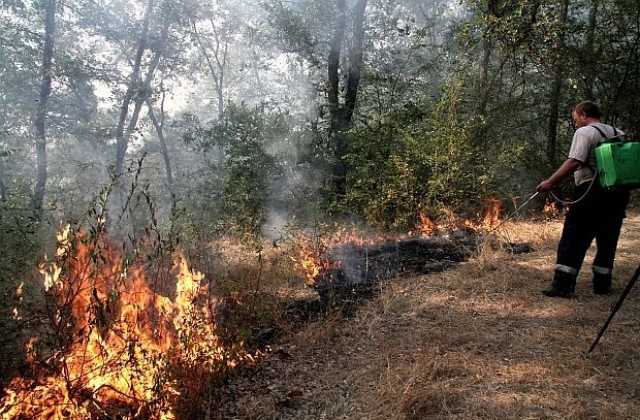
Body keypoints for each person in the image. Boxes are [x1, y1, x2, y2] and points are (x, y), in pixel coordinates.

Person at [536, 100, 630, 298]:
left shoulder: (585, 133)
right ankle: (602, 286)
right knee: (608, 238)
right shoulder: (619, 133)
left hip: (591, 191)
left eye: (576, 118)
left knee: (574, 237)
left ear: (584, 114)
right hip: (618, 193)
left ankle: (562, 285)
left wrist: (550, 183)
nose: (576, 122)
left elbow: (573, 162)